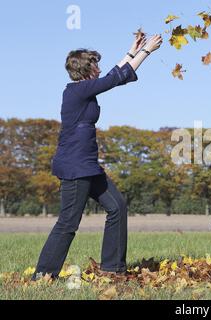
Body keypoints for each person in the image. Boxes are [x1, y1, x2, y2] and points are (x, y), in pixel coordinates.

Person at [32, 32, 163, 280]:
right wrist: (146, 52)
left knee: (117, 206)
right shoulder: (76, 91)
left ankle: (112, 268)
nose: (99, 68)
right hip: (74, 167)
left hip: (89, 167)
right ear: (87, 70)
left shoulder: (86, 89)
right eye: (96, 64)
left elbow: (114, 76)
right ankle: (43, 276)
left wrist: (131, 51)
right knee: (68, 222)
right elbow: (115, 78)